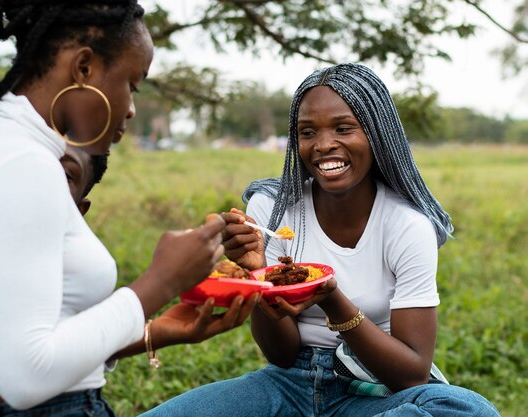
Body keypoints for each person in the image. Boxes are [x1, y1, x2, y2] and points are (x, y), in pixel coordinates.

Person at [0, 2, 257, 417]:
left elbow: (19, 339)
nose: (130, 108)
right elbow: (26, 377)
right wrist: (159, 282)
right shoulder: (24, 166)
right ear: (83, 68)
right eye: (132, 83)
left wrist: (155, 331)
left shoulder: (8, 152)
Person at [141, 63, 501, 416]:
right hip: (286, 384)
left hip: (370, 391)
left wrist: (332, 299)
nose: (323, 145)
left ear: (376, 133)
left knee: (465, 409)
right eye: (308, 132)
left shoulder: (407, 225)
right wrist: (259, 279)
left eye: (344, 128)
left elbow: (411, 375)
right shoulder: (275, 207)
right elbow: (280, 355)